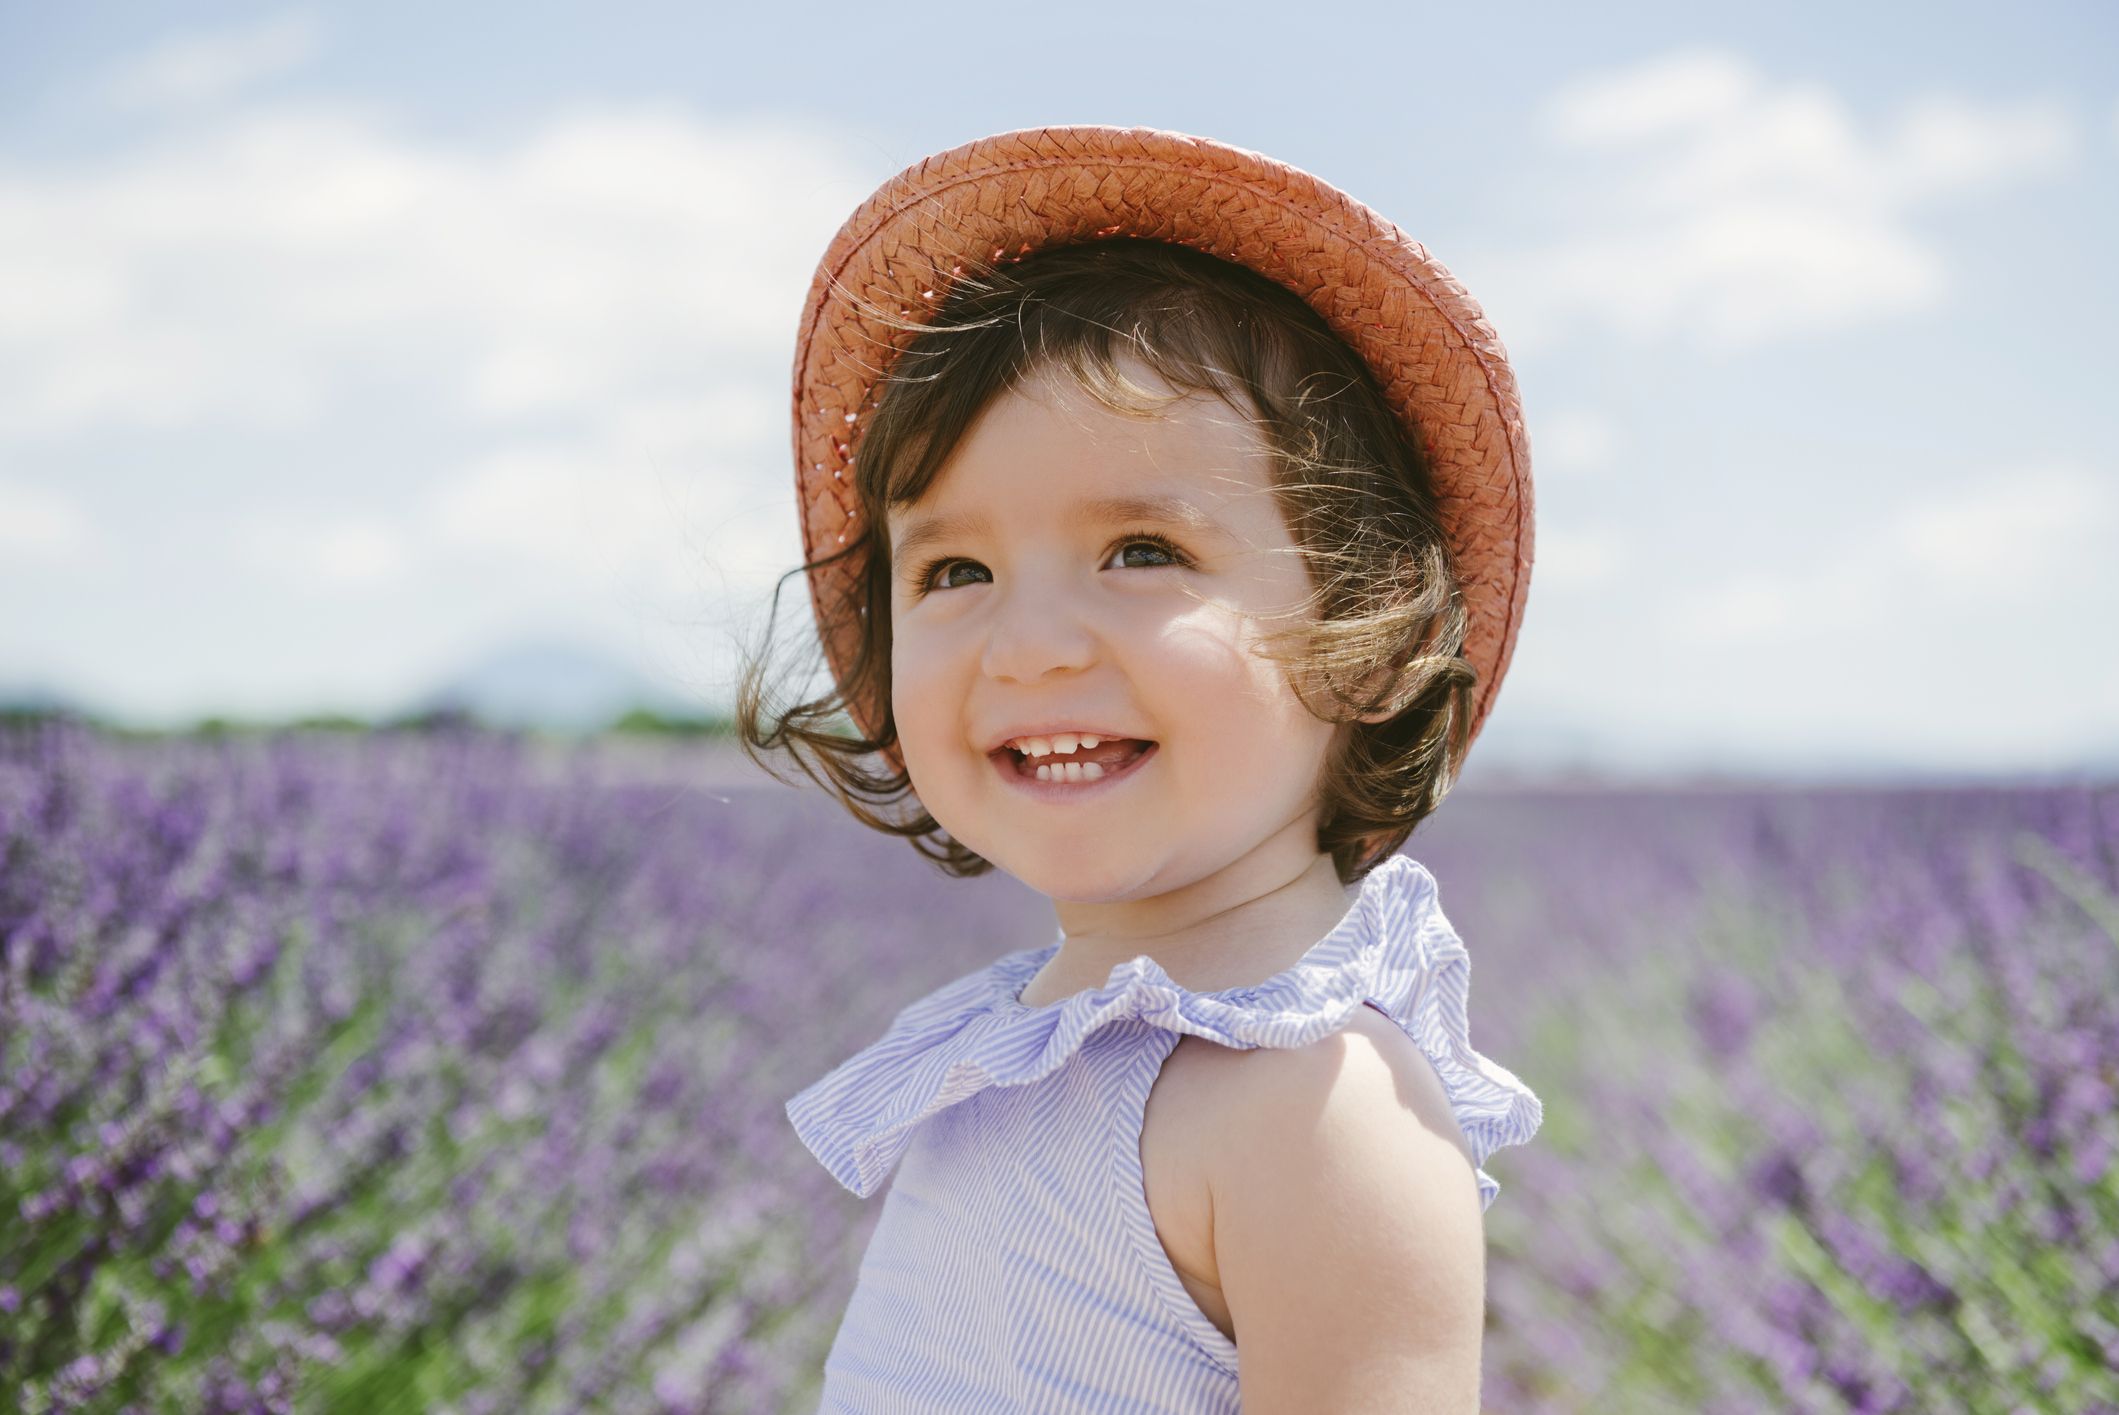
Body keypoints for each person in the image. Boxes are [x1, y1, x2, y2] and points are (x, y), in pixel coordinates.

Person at [738, 125, 1546, 1414]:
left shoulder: (1315, 1112)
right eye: (956, 572)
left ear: (1373, 628)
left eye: (1141, 550)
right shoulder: (1019, 1044)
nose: (1034, 644)